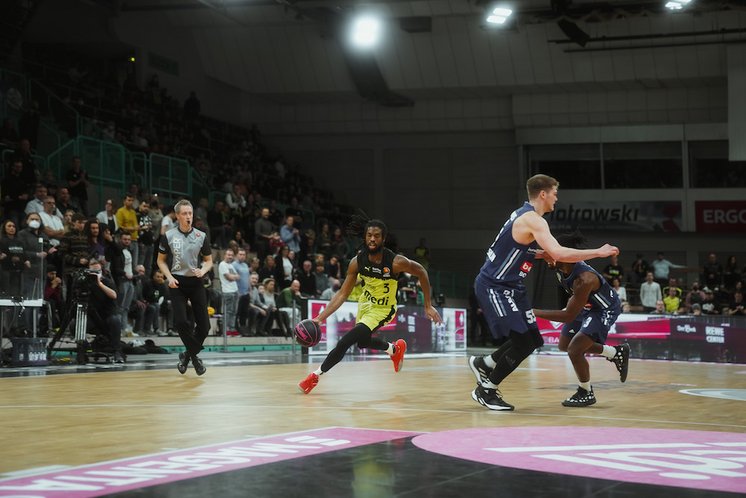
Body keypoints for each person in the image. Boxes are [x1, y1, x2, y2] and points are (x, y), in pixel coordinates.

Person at [468, 174, 619, 411]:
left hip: (511, 286)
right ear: (543, 194)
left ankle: (484, 364)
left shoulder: (522, 215)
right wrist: (598, 252)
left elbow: (514, 248)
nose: (556, 199)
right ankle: (486, 390)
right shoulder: (534, 220)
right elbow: (559, 253)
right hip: (495, 286)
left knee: (533, 340)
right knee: (522, 342)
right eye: (555, 194)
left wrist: (539, 254)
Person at [298, 213, 442, 394]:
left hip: (383, 309)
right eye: (369, 235)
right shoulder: (357, 262)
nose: (372, 239)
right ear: (365, 237)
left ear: (383, 239)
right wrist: (320, 318)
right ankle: (394, 349)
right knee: (362, 343)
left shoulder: (396, 262)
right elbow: (342, 293)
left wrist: (428, 305)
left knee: (344, 342)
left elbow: (421, 272)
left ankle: (314, 376)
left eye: (376, 236)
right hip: (365, 304)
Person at [532, 232, 628, 407]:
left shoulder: (584, 279)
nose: (547, 259)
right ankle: (614, 353)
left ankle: (586, 392)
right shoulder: (559, 262)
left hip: (603, 309)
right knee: (564, 345)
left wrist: (533, 312)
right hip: (586, 304)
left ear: (564, 255)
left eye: (551, 254)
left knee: (574, 350)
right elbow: (537, 253)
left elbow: (569, 316)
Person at [157, 199, 213, 375]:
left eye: (190, 213)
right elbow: (160, 261)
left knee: (204, 327)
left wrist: (203, 270)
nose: (188, 216)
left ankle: (187, 356)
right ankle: (194, 358)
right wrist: (169, 277)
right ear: (177, 216)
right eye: (184, 213)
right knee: (181, 322)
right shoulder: (168, 236)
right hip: (177, 283)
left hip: (196, 282)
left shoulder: (201, 236)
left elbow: (209, 261)